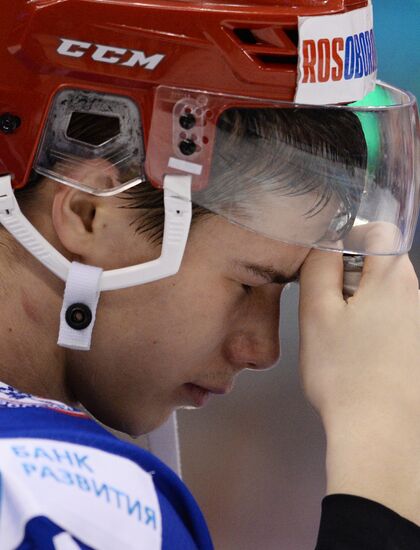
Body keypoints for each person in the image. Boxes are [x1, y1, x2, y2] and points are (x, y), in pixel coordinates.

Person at [0, 0, 418, 548]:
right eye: (249, 282)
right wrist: (383, 449)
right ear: (89, 211)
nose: (262, 349)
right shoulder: (66, 501)